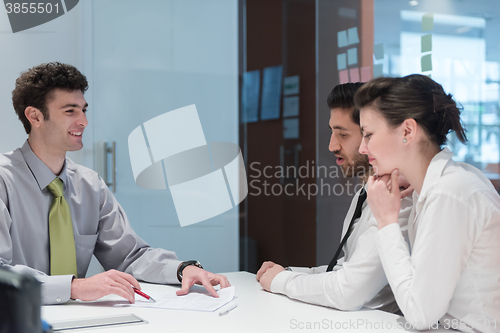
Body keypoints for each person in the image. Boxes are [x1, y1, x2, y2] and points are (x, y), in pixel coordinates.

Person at [0, 62, 229, 305]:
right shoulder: (4, 181)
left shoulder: (90, 185)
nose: (84, 121)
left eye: (84, 110)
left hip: (78, 320)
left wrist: (182, 269)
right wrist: (74, 287)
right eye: (70, 111)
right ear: (34, 116)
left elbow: (129, 255)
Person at [356, 74, 500, 332]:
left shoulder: (450, 192)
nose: (362, 148)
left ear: (407, 131)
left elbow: (419, 313)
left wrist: (387, 221)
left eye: (368, 135)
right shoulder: (442, 185)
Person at [256, 83, 413, 312]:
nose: (332, 145)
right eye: (332, 132)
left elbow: (348, 292)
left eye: (343, 134)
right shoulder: (365, 194)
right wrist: (288, 273)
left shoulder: (401, 198)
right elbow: (345, 269)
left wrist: (281, 281)